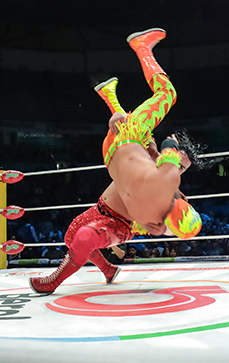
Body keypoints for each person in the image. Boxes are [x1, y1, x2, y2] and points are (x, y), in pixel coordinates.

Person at [29, 28, 203, 295]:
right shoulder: (160, 211)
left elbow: (165, 149)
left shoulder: (168, 186)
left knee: (167, 94)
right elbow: (152, 153)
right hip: (114, 152)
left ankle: (141, 50)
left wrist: (173, 148)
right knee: (73, 236)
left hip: (120, 163)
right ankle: (111, 98)